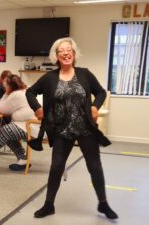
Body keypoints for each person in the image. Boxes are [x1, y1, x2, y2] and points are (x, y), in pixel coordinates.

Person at [26, 37, 118, 219]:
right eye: (62, 51)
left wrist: (94, 106)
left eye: (69, 50)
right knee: (56, 167)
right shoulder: (50, 78)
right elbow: (30, 92)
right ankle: (49, 205)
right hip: (61, 130)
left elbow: (100, 92)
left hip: (85, 129)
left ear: (74, 54)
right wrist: (37, 108)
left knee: (95, 167)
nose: (66, 53)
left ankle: (103, 204)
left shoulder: (84, 74)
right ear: (56, 56)